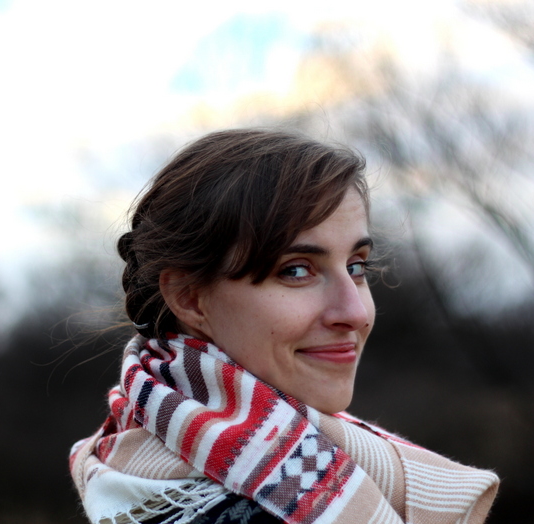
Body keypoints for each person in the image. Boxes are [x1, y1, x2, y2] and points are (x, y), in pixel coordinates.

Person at [69, 129, 499, 524]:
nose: (355, 312)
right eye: (296, 270)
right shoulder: (258, 510)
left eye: (356, 266)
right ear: (189, 298)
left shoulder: (127, 461)